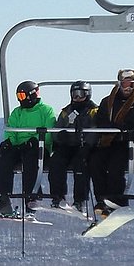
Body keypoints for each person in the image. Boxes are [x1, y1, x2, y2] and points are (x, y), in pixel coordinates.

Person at [0, 80, 55, 216]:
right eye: (19, 97)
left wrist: (37, 141)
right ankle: (3, 199)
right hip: (20, 146)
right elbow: (11, 131)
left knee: (30, 158)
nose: (21, 100)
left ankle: (31, 199)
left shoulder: (46, 110)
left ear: (32, 95)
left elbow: (50, 132)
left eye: (22, 96)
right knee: (5, 158)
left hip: (38, 147)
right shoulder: (17, 112)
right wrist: (10, 143)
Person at [87, 69, 134, 215]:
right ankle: (102, 199)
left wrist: (131, 132)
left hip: (129, 144)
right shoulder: (107, 101)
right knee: (95, 162)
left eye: (131, 84)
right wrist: (112, 129)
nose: (128, 87)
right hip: (108, 141)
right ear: (119, 84)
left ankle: (117, 199)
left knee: (116, 165)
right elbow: (100, 121)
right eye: (125, 83)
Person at [48, 80, 97, 213]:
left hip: (84, 146)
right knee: (56, 162)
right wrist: (60, 136)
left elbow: (96, 129)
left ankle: (79, 201)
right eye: (75, 94)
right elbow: (57, 130)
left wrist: (88, 144)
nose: (77, 98)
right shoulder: (66, 111)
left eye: (81, 94)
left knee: (81, 164)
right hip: (67, 146)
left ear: (87, 95)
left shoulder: (93, 111)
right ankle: (58, 196)